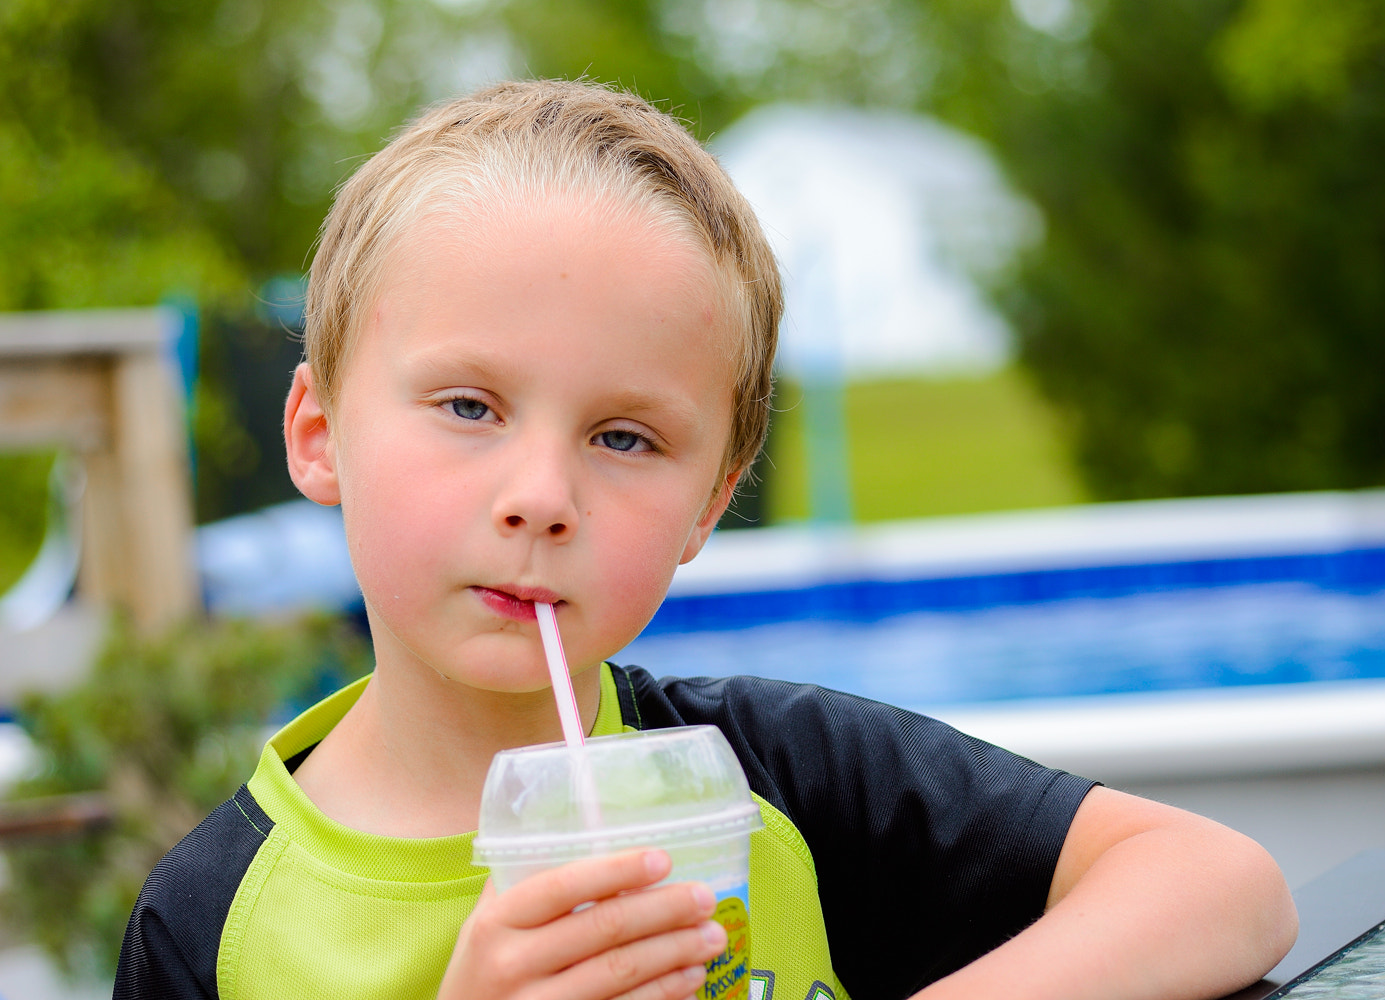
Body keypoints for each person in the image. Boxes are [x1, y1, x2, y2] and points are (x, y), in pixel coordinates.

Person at [114, 79, 1297, 1000]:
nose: (541, 495)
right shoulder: (210, 923)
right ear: (320, 434)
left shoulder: (773, 775)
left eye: (624, 438)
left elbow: (1220, 883)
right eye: (469, 407)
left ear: (708, 503)